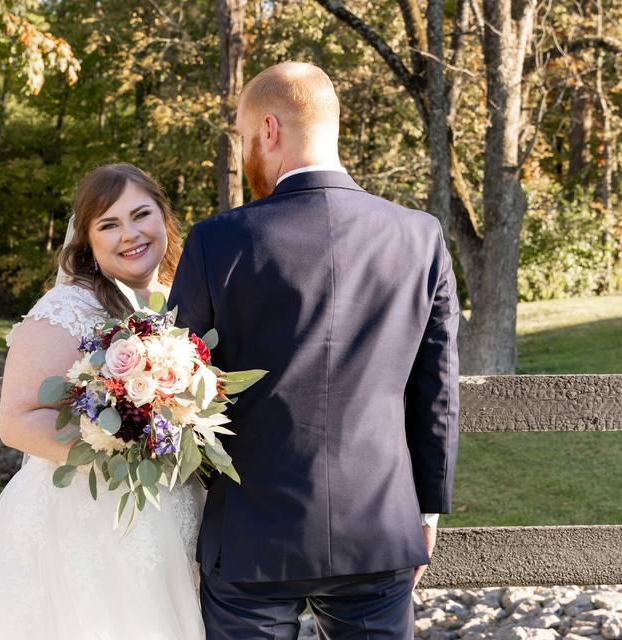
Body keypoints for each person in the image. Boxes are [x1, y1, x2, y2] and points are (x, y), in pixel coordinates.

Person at [167, 61, 461, 639]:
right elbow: (437, 390)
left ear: (270, 130)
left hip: (251, 530)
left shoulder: (217, 240)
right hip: (378, 525)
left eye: (246, 138)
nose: (247, 152)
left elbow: (175, 380)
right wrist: (426, 510)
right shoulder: (419, 237)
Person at [0, 163, 205, 640]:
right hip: (83, 527)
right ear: (87, 240)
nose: (130, 234)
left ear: (164, 219)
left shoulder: (177, 303)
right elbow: (16, 421)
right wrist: (120, 441)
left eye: (140, 215)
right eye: (109, 224)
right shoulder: (65, 309)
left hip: (168, 518)